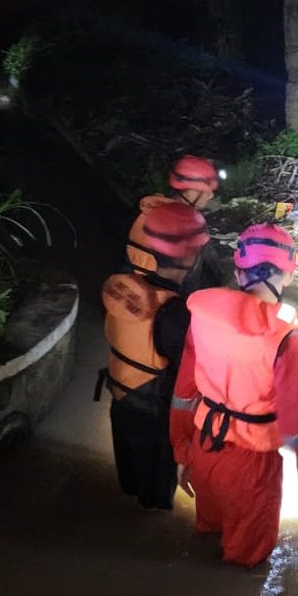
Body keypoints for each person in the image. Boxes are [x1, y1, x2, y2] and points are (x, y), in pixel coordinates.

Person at [170, 223, 298, 567]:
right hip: (251, 461)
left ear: (239, 273)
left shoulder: (204, 314)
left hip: (203, 447)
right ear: (288, 275)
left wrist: (181, 450)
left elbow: (183, 392)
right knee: (246, 557)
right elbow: (293, 416)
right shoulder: (289, 337)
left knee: (208, 530)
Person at [96, 201, 208, 510]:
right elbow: (195, 376)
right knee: (155, 503)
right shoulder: (175, 314)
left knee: (129, 487)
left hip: (121, 404)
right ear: (190, 256)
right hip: (155, 421)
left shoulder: (123, 286)